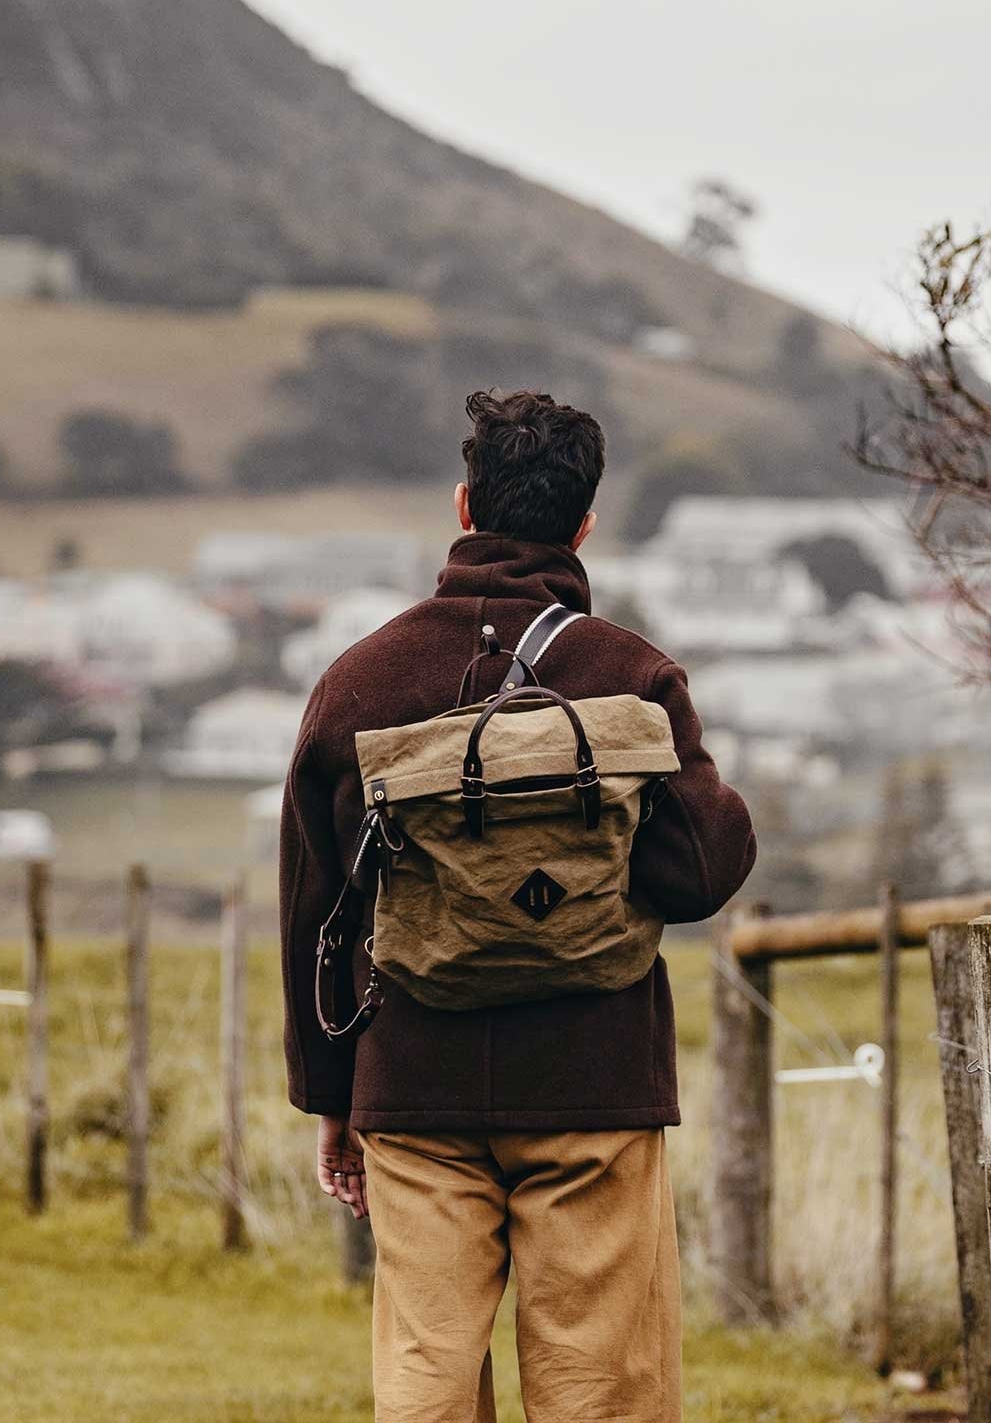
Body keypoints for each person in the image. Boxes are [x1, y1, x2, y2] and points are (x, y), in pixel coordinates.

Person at [279, 388, 758, 1422]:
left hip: (411, 1075)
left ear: (464, 507)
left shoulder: (359, 683)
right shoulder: (631, 675)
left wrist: (332, 1096)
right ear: (584, 525)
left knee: (426, 1374)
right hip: (594, 1080)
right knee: (602, 1384)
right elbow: (700, 875)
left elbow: (316, 909)